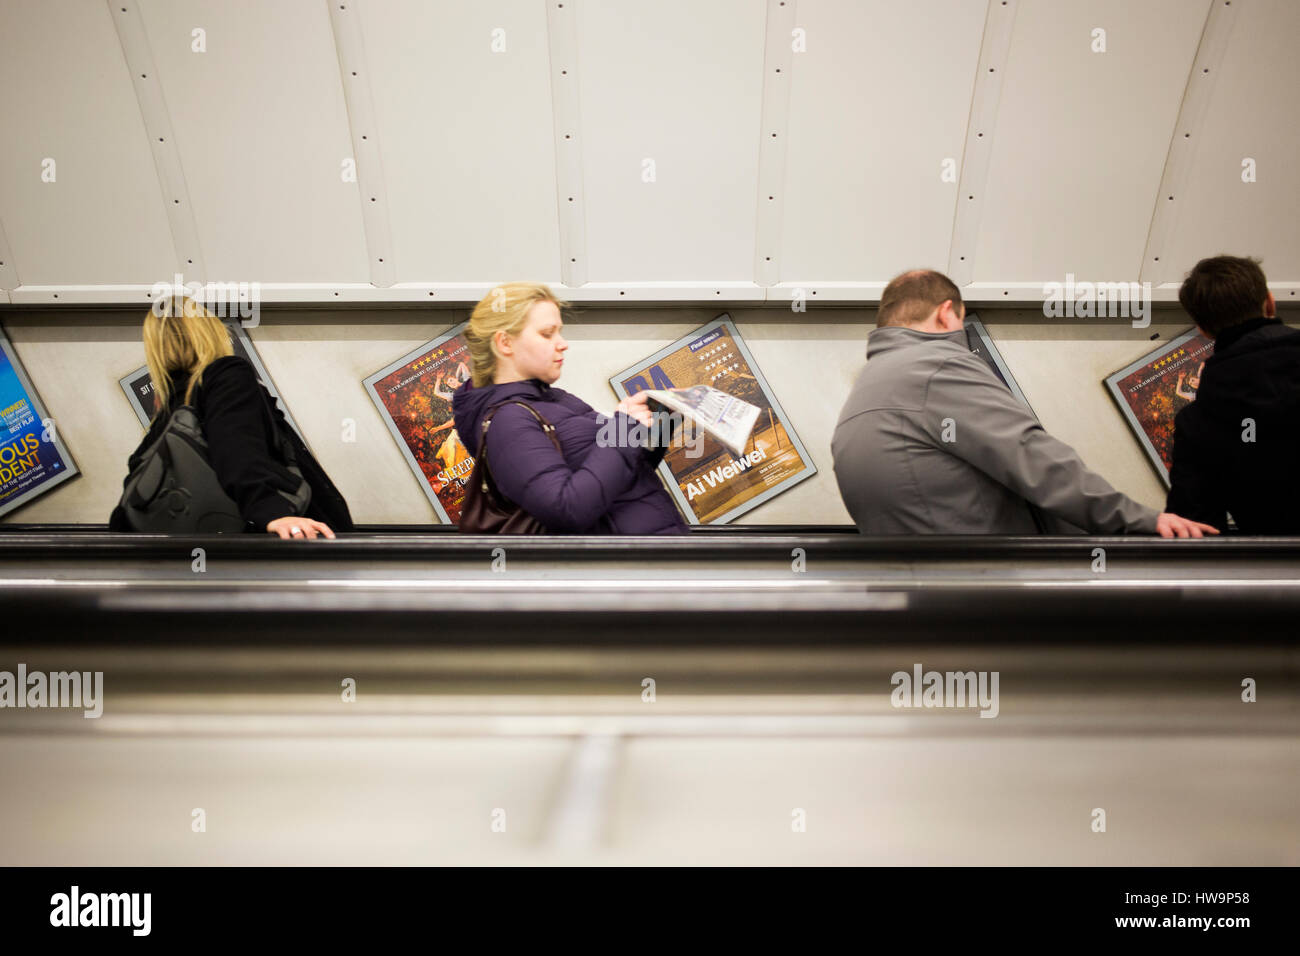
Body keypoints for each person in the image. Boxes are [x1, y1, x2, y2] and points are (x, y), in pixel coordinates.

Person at [831, 269, 1218, 538]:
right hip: (984, 591)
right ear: (948, 312)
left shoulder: (867, 387)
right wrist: (1140, 520)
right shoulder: (939, 366)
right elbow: (1031, 458)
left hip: (919, 594)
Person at [451, 282, 687, 534]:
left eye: (560, 332)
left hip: (651, 556)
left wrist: (659, 422)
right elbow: (568, 510)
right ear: (505, 343)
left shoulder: (556, 400)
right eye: (547, 333)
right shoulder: (507, 422)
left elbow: (617, 476)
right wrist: (622, 430)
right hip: (621, 567)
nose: (563, 344)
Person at [109, 297, 353, 539]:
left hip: (200, 555)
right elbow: (236, 444)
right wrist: (271, 511)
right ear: (211, 332)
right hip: (273, 545)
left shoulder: (170, 411)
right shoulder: (225, 374)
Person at [1167, 255, 1300, 533]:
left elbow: (1194, 526)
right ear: (1270, 302)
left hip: (1279, 568)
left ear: (1202, 330)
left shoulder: (1197, 423)